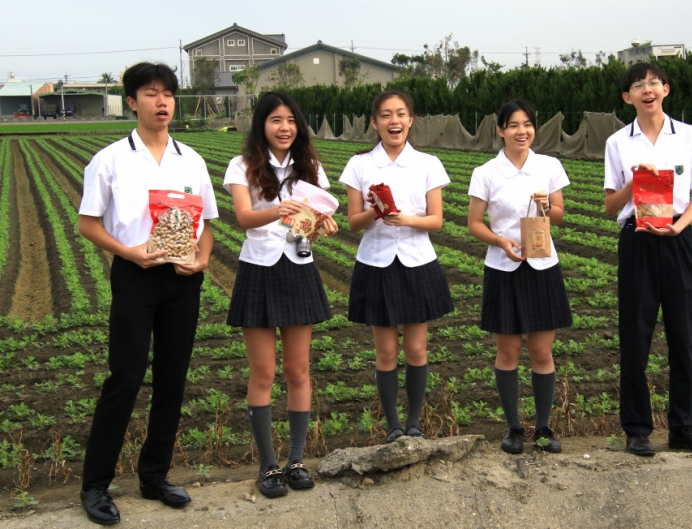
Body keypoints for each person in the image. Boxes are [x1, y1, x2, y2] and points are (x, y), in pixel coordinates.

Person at [77, 62, 218, 525]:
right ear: (132, 101)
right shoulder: (112, 159)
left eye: (169, 94)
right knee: (126, 377)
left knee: (172, 379)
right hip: (136, 275)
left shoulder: (191, 160)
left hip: (182, 279)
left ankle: (154, 475)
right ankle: (95, 485)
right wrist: (130, 253)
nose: (162, 102)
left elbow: (208, 226)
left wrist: (200, 259)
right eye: (151, 93)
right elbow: (88, 224)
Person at [223, 92, 338, 498]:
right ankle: (268, 465)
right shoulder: (243, 166)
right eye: (275, 119)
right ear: (261, 124)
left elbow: (314, 221)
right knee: (264, 372)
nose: (285, 127)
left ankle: (295, 460)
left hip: (298, 268)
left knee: (298, 371)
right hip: (257, 268)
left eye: (291, 120)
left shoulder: (311, 167)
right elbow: (243, 218)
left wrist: (320, 226)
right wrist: (279, 209)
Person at [604, 63, 692, 456]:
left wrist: (680, 226)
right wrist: (634, 180)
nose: (647, 89)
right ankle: (637, 430)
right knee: (635, 338)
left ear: (666, 90)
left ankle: (683, 428)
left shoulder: (689, 136)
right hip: (636, 239)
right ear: (627, 97)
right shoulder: (618, 142)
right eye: (638, 85)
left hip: (677, 239)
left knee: (683, 336)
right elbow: (609, 206)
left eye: (653, 83)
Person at [340, 90, 453, 443]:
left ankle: (414, 422)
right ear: (374, 122)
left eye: (401, 114)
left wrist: (405, 219)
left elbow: (436, 221)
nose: (394, 121)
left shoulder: (428, 163)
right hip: (376, 263)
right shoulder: (359, 165)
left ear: (410, 120)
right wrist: (376, 210)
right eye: (386, 115)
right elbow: (353, 223)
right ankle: (392, 425)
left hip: (418, 263)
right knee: (386, 351)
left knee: (417, 349)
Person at [467, 99, 573, 455]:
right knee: (508, 351)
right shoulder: (486, 172)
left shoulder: (548, 166)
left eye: (527, 124)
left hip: (542, 266)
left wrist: (547, 207)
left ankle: (543, 427)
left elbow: (558, 216)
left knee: (542, 351)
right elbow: (473, 223)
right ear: (500, 130)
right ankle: (513, 427)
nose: (521, 131)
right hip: (503, 267)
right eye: (513, 125)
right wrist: (500, 240)